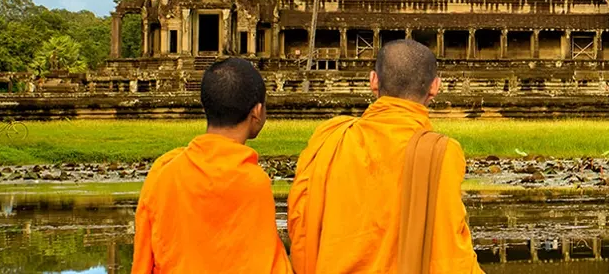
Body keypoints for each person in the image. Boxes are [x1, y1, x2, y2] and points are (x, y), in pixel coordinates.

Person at [288, 40, 483, 273]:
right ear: (435, 87)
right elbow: (450, 251)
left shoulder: (330, 138)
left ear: (373, 81)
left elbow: (301, 225)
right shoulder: (440, 153)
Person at [131, 58, 292, 274]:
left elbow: (144, 259)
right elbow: (266, 265)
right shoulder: (253, 182)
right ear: (257, 111)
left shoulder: (165, 172)